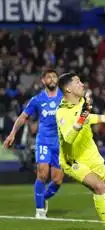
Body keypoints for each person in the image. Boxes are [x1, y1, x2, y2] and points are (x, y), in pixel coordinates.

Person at [56, 73, 105, 230]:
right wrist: (82, 116)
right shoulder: (62, 112)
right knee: (99, 187)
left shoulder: (82, 102)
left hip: (91, 154)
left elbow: (89, 118)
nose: (82, 84)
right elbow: (68, 138)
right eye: (77, 82)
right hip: (73, 160)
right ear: (68, 89)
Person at [3, 70, 63, 218]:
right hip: (43, 141)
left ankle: (43, 198)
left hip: (60, 143)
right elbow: (23, 117)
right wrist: (12, 133)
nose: (52, 79)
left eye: (54, 76)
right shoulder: (37, 99)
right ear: (43, 81)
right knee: (42, 173)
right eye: (48, 77)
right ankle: (40, 211)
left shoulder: (64, 97)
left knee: (57, 180)